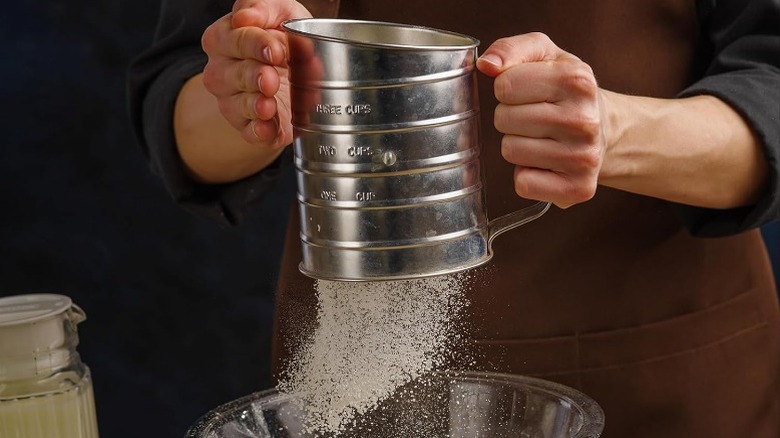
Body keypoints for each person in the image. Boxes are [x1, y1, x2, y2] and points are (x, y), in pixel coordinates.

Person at [127, 0, 780, 436]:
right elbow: (179, 101)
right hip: (356, 361)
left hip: (662, 371)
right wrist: (248, 96)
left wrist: (615, 130)